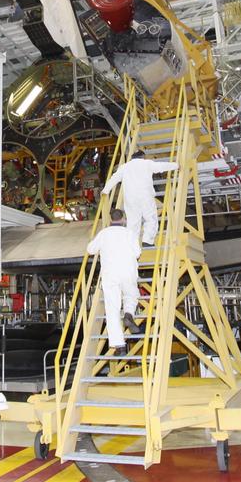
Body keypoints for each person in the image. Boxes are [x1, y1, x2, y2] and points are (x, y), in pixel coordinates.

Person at [86, 209, 143, 354]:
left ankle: (119, 346)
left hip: (110, 274)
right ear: (123, 219)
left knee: (112, 308)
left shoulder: (104, 233)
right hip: (128, 272)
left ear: (110, 219)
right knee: (131, 295)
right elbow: (137, 253)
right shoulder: (130, 233)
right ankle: (129, 314)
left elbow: (90, 249)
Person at [101, 149, 177, 246]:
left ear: (132, 158)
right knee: (150, 218)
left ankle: (132, 245)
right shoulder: (147, 164)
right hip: (146, 196)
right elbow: (162, 166)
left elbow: (114, 179)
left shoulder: (124, 167)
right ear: (143, 157)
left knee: (133, 222)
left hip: (131, 199)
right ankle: (147, 241)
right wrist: (176, 165)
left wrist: (105, 191)